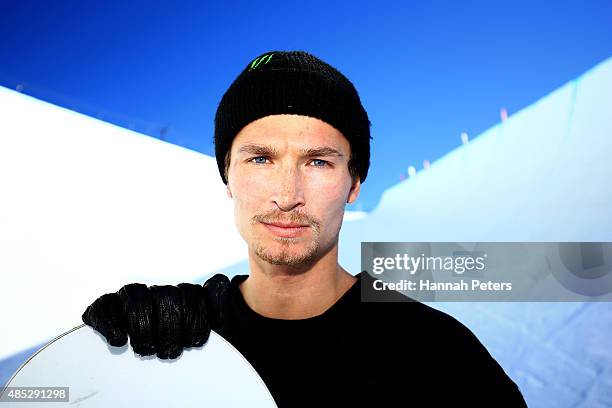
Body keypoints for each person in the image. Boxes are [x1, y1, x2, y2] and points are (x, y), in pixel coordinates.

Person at [83, 50, 527, 407]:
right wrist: (113, 363)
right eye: (260, 158)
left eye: (317, 161)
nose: (287, 193)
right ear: (227, 177)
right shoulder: (179, 334)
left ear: (353, 184)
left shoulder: (437, 353)